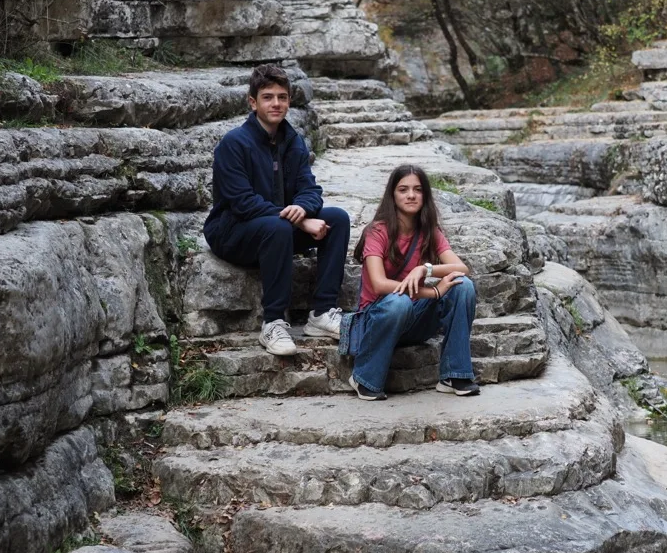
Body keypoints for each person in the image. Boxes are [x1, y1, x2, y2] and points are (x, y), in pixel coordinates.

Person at [203, 64, 350, 356]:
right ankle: (273, 322)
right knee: (279, 226)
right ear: (253, 102)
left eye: (282, 97)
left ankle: (322, 313)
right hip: (231, 232)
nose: (276, 103)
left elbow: (311, 190)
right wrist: (301, 223)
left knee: (337, 219)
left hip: (276, 230)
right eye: (268, 97)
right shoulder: (234, 143)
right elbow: (243, 203)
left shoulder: (292, 141)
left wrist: (302, 208)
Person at [347, 164, 479, 401]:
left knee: (463, 284)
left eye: (418, 190)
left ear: (425, 195)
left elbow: (462, 268)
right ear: (393, 195)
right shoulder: (377, 231)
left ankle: (454, 374)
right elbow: (378, 284)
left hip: (412, 319)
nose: (411, 195)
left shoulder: (428, 231)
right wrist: (433, 292)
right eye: (403, 190)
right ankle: (364, 377)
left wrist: (425, 268)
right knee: (399, 303)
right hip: (380, 318)